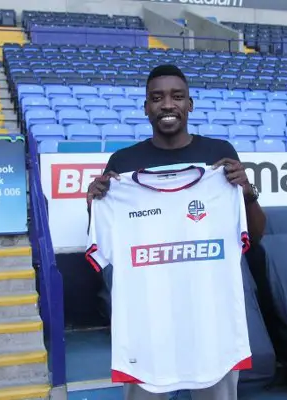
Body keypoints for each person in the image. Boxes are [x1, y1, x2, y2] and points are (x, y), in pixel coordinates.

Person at [86, 64, 266, 400]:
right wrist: (94, 206)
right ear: (146, 107)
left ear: (190, 104)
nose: (167, 104)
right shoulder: (122, 165)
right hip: (146, 329)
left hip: (212, 324)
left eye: (177, 96)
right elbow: (103, 246)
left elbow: (255, 236)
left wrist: (248, 194)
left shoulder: (220, 156)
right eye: (157, 98)